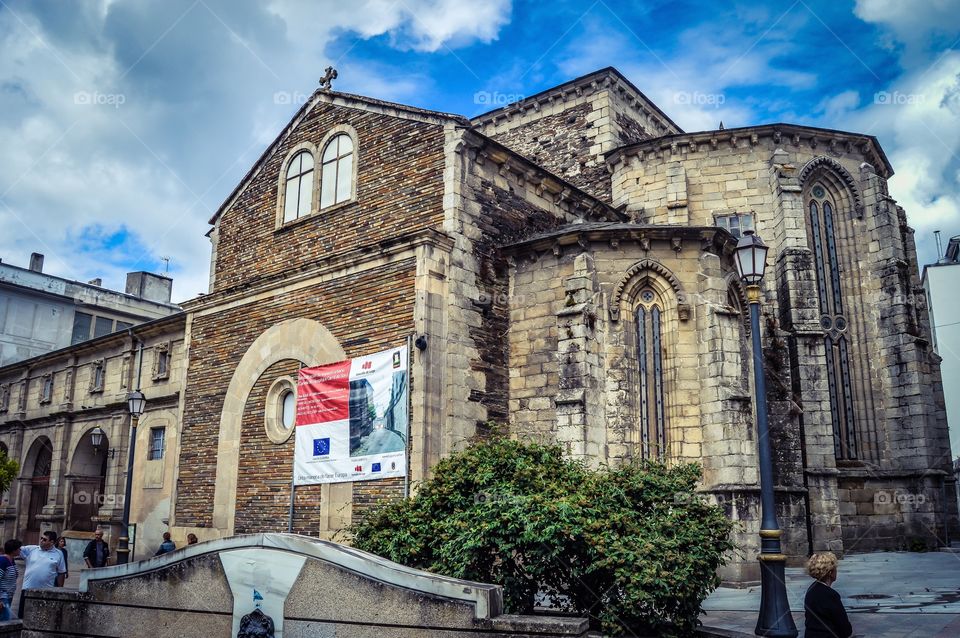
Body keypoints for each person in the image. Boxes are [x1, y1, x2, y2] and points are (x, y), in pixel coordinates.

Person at [804, 551, 853, 638]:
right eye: (835, 568)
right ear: (830, 573)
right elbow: (844, 627)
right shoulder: (830, 595)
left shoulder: (811, 589)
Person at [0, 540, 21, 621]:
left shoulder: (11, 560)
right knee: (6, 619)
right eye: (19, 549)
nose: (20, 550)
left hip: (9, 595)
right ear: (13, 550)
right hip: (2, 597)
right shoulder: (3, 561)